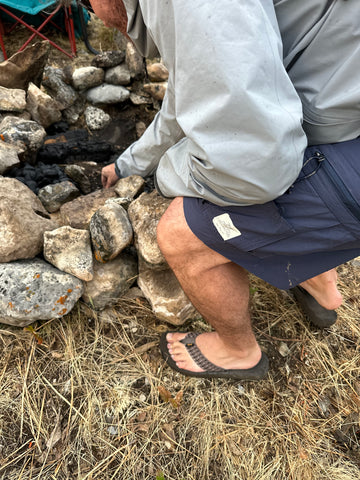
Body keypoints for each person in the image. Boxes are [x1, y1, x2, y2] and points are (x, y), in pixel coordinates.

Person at [90, 0, 360, 380]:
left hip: (345, 162)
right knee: (303, 154)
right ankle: (321, 286)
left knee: (180, 234)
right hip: (342, 121)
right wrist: (129, 163)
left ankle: (238, 351)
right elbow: (190, 94)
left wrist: (167, 176)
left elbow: (258, 169)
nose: (96, 15)